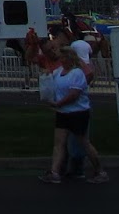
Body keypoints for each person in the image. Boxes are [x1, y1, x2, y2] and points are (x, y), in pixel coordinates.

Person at [43, 44, 108, 184]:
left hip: (78, 113)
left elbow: (74, 94)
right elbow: (50, 82)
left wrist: (58, 103)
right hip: (63, 113)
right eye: (61, 57)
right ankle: (54, 172)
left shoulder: (77, 73)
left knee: (84, 143)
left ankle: (100, 171)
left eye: (64, 57)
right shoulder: (58, 72)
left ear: (70, 58)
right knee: (59, 143)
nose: (62, 60)